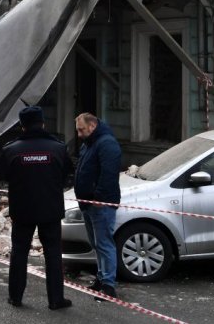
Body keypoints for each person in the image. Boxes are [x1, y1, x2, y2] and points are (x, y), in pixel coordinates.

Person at [0, 106, 73, 310]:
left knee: (19, 253)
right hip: (50, 210)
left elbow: (2, 173)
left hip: (23, 210)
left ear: (22, 126)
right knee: (53, 254)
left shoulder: (11, 149)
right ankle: (56, 299)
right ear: (43, 123)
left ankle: (15, 297)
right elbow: (66, 173)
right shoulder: (58, 148)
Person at [73, 112, 121, 300]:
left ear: (92, 126)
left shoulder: (106, 143)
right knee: (97, 244)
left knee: (104, 243)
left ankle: (108, 286)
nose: (79, 134)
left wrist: (98, 197)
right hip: (88, 202)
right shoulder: (90, 143)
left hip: (100, 204)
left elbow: (109, 174)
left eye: (81, 130)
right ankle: (101, 279)